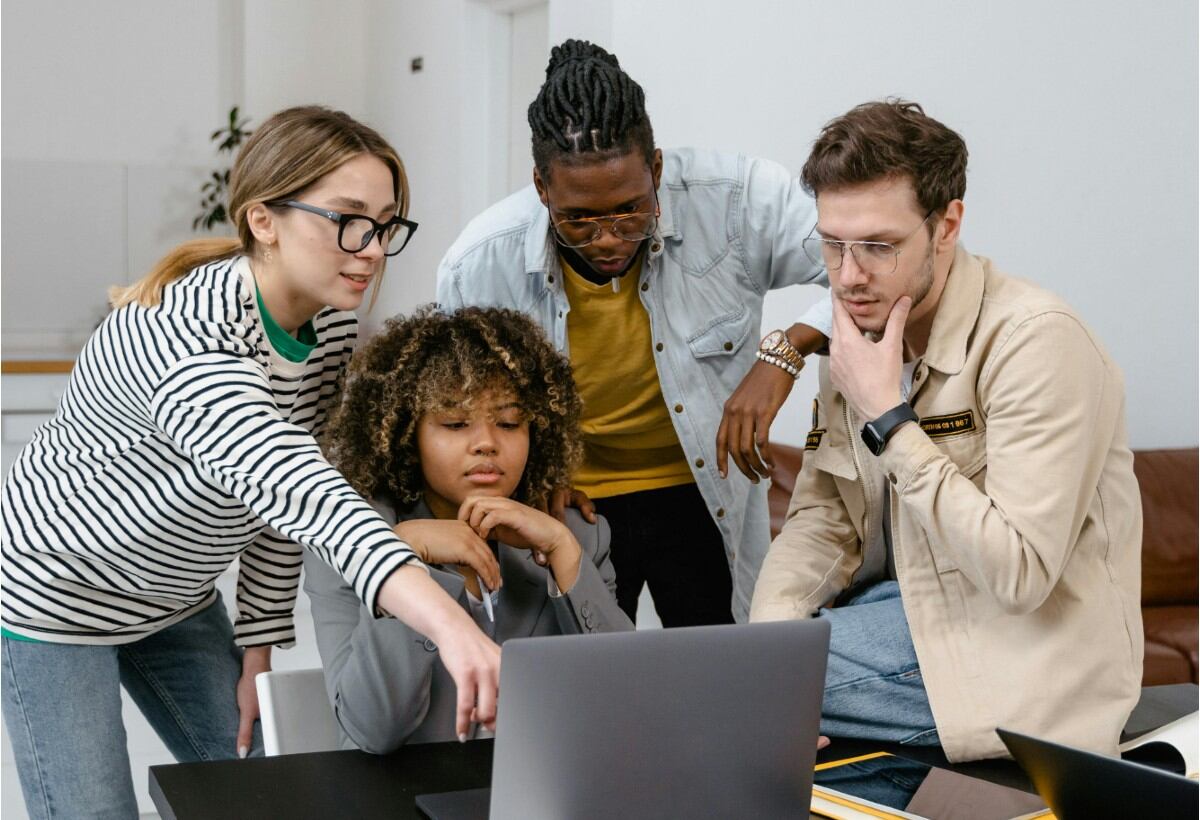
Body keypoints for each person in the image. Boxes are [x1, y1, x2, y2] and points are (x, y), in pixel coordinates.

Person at [0, 106, 499, 819]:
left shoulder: (325, 325)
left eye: (386, 224)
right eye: (348, 219)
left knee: (269, 788)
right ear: (264, 220)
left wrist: (258, 645)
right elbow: (301, 491)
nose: (373, 248)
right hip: (59, 595)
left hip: (175, 596)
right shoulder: (187, 340)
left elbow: (274, 512)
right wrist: (450, 627)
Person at [750, 100, 1143, 762]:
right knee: (735, 676)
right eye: (833, 244)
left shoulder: (1036, 341)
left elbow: (1019, 576)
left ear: (947, 224)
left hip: (1025, 656)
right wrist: (765, 650)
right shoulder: (860, 332)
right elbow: (823, 522)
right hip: (907, 614)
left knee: (706, 700)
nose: (847, 277)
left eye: (878, 246)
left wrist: (888, 416)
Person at [436, 39, 833, 626]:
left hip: (706, 492)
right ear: (542, 189)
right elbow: (460, 407)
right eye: (578, 218)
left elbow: (869, 265)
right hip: (575, 503)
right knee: (591, 685)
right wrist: (531, 479)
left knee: (719, 674)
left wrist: (785, 351)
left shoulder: (737, 199)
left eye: (630, 209)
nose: (608, 237)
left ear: (656, 169)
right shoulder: (479, 263)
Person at [305, 306, 632, 751]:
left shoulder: (576, 532)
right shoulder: (351, 537)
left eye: (509, 422)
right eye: (456, 423)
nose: (486, 443)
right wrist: (407, 555)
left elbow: (627, 703)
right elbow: (374, 731)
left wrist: (562, 551)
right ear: (406, 432)